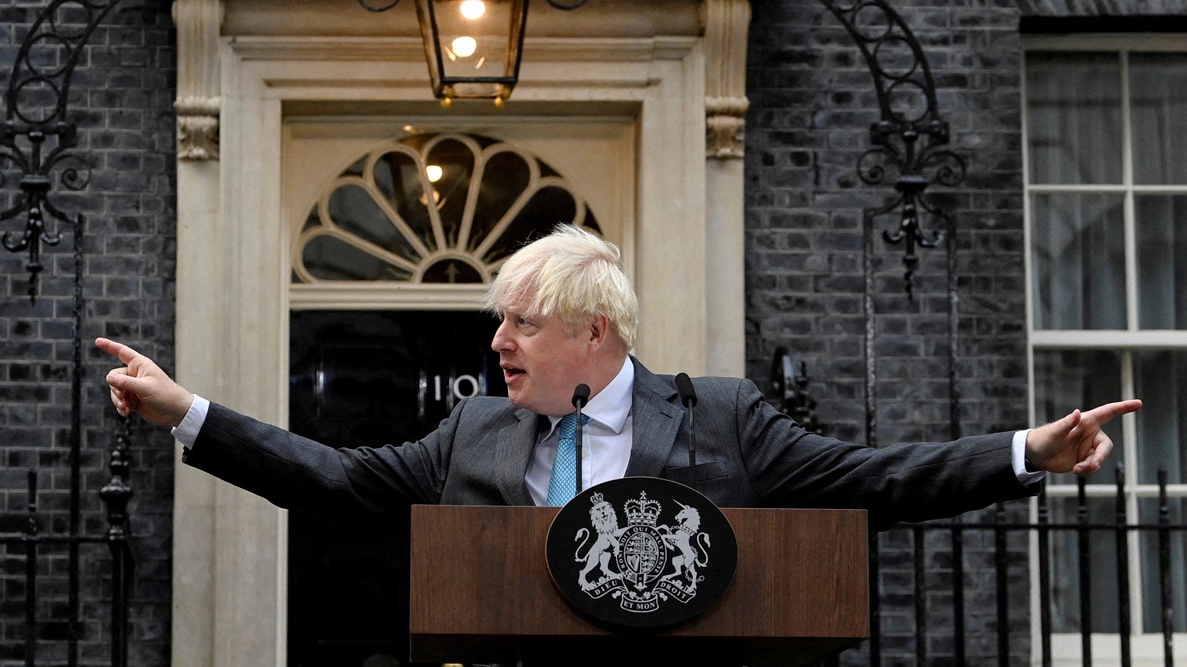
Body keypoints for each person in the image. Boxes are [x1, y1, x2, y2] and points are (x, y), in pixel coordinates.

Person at [96, 224, 1140, 529]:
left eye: (521, 321)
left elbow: (875, 480)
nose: (498, 341)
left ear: (595, 332)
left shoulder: (724, 421)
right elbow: (329, 478)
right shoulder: (471, 438)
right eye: (496, 320)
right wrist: (184, 411)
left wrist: (1023, 452)